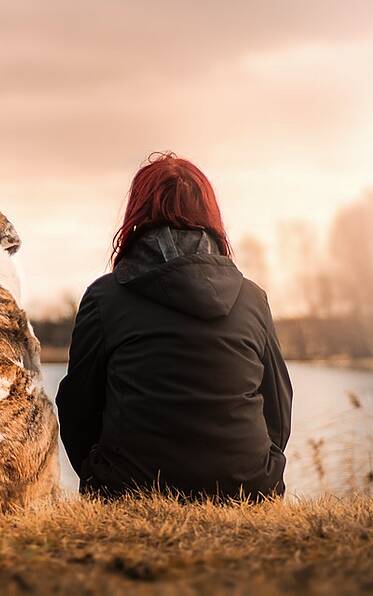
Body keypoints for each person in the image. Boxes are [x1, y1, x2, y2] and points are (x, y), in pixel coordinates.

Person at [55, 152, 292, 501]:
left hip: (129, 489)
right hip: (248, 489)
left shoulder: (104, 298)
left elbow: (77, 409)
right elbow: (278, 409)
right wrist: (258, 469)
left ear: (137, 215)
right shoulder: (252, 298)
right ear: (210, 216)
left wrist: (98, 473)